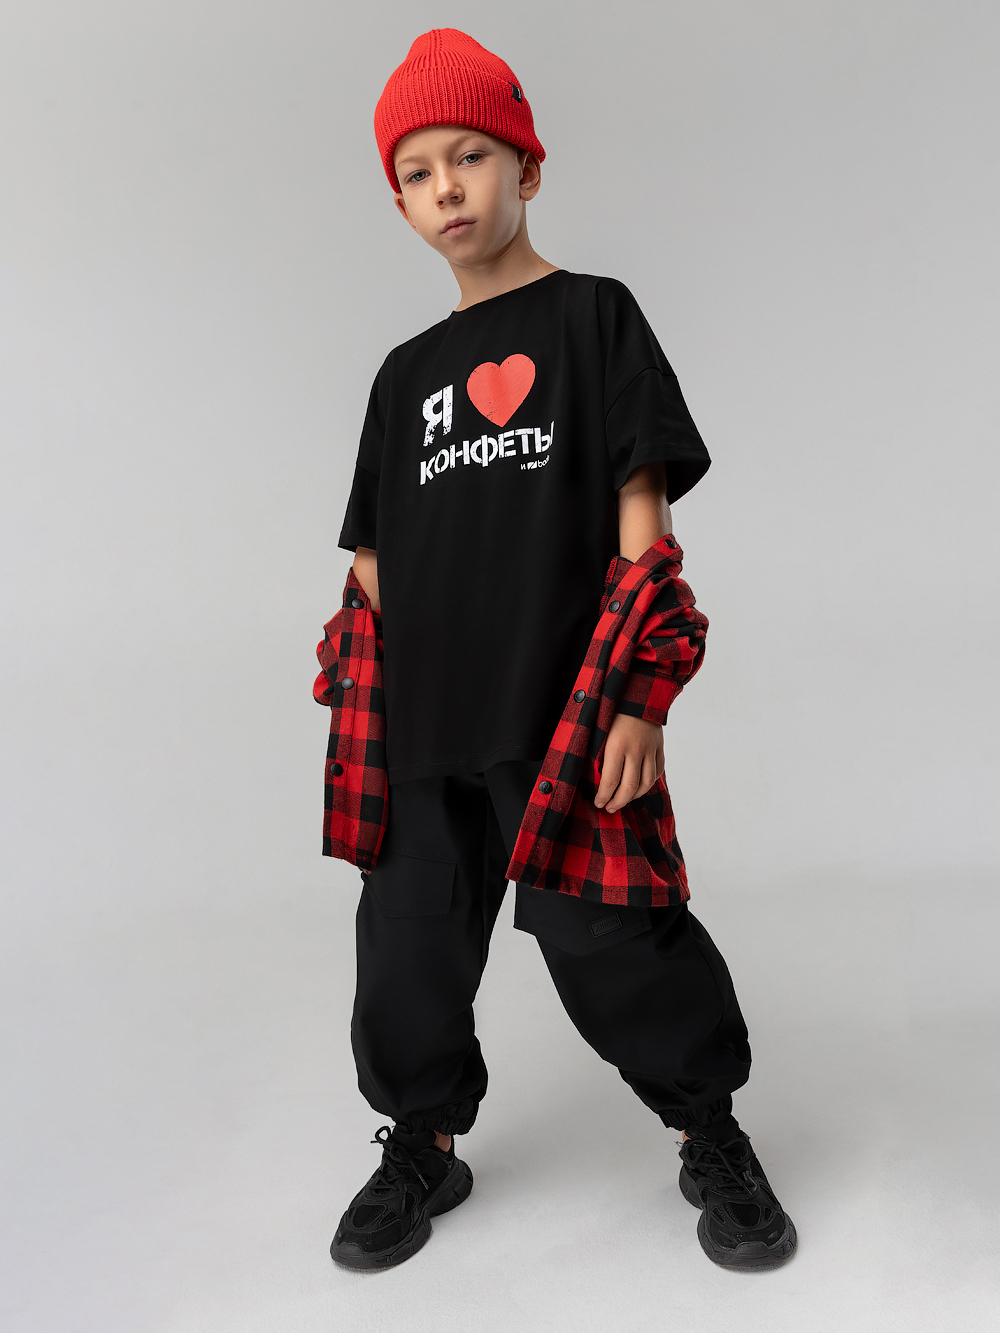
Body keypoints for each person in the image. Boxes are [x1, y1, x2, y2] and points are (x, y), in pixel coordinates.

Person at [316, 27, 797, 1273]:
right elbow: (372, 556)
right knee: (407, 951)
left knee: (613, 939)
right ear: (399, 203)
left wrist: (641, 699)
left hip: (563, 714)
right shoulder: (402, 377)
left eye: (470, 155)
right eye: (417, 172)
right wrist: (369, 680)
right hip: (424, 725)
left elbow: (645, 529)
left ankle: (708, 1131)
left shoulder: (594, 318)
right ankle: (421, 1142)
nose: (447, 188)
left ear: (527, 166)